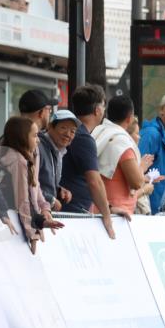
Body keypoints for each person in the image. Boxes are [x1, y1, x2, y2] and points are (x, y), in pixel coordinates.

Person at [58, 84, 124, 238]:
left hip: (66, 211)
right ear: (97, 110)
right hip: (71, 215)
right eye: (103, 105)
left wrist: (107, 207)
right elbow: (94, 181)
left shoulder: (74, 132)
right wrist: (107, 218)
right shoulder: (83, 137)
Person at [0, 116, 63, 253]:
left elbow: (35, 188)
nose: (38, 140)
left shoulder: (28, 156)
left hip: (13, 222)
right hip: (11, 225)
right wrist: (32, 232)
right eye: (34, 136)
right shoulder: (18, 160)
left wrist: (44, 209)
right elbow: (23, 200)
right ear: (22, 138)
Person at [92, 94, 157, 216]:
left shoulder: (100, 132)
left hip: (99, 209)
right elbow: (136, 183)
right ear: (130, 118)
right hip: (118, 214)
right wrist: (142, 167)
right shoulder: (122, 142)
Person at [37, 110, 77, 211]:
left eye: (73, 131)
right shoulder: (38, 147)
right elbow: (29, 181)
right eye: (63, 128)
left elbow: (44, 180)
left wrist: (58, 190)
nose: (68, 134)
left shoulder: (58, 151)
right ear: (50, 126)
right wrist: (50, 199)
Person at [127, 118, 158, 214]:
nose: (139, 137)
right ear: (127, 136)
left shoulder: (132, 155)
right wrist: (145, 189)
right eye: (136, 134)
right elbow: (129, 194)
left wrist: (145, 178)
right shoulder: (127, 158)